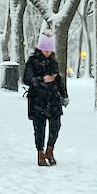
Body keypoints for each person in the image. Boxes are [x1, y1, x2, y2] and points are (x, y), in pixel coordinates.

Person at [22, 31, 66, 166]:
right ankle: (40, 152)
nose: (47, 52)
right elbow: (26, 79)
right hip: (37, 99)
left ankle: (50, 149)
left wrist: (64, 95)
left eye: (49, 50)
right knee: (39, 128)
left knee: (55, 126)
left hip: (53, 98)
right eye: (45, 50)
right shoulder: (32, 61)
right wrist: (42, 80)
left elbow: (59, 80)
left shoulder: (53, 60)